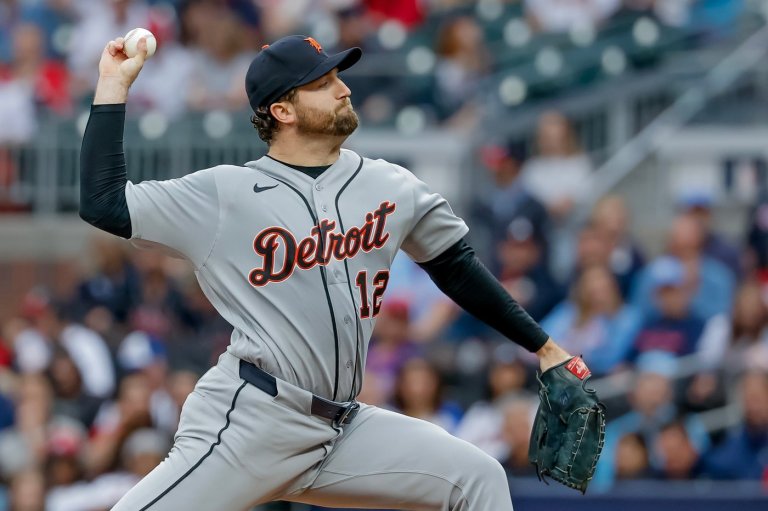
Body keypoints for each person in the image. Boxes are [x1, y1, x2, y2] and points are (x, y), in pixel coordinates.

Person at [79, 33, 577, 510]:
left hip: (342, 430)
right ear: (282, 110)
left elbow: (455, 266)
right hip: (251, 423)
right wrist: (113, 86)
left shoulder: (390, 185)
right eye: (323, 83)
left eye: (338, 76)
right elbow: (104, 204)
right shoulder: (225, 194)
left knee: (478, 478)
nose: (344, 89)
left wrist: (544, 346)